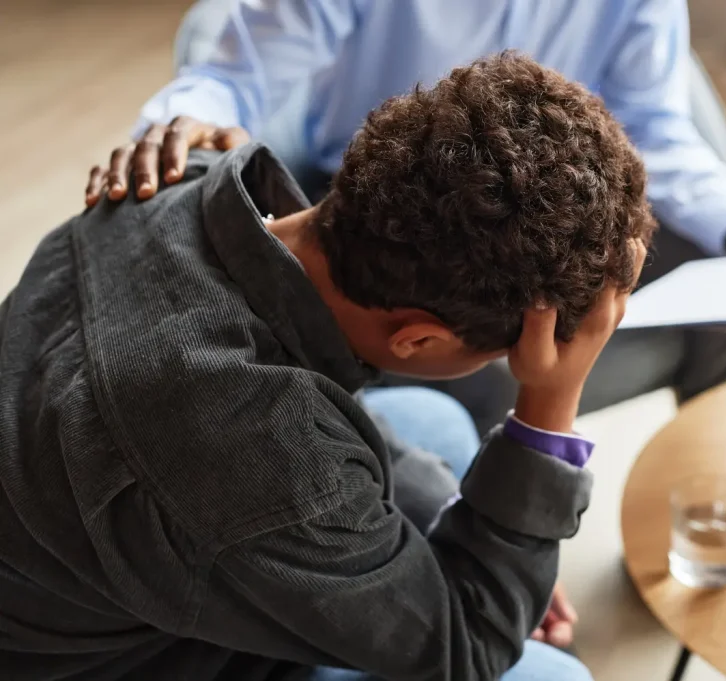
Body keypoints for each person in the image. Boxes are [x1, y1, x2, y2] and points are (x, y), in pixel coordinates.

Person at [0, 54, 653, 681]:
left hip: (97, 511)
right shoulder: (263, 452)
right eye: (496, 356)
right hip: (120, 661)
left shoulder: (181, 173)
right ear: (418, 339)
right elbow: (467, 643)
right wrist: (548, 405)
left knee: (436, 426)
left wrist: (498, 553)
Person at [85, 0, 726, 436]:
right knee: (481, 361)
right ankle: (465, 525)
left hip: (553, 202)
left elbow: (655, 124)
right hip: (380, 196)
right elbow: (232, 76)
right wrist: (179, 132)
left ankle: (696, 511)